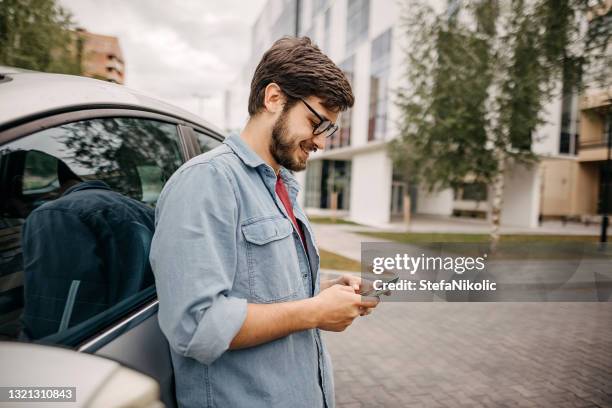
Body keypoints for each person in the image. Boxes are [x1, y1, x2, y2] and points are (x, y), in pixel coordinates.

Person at [150, 37, 379, 408]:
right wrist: (314, 311)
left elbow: (258, 282)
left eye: (329, 130)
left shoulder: (282, 185)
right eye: (316, 122)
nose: (321, 143)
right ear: (273, 98)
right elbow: (197, 325)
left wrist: (324, 290)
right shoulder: (207, 181)